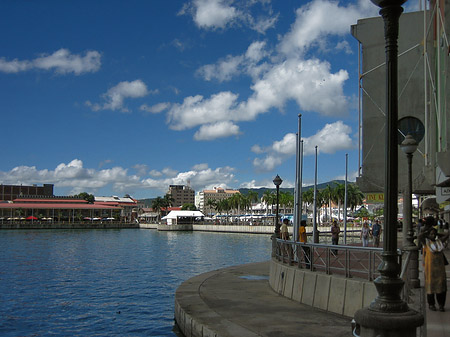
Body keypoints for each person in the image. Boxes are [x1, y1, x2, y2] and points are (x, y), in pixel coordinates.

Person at [418, 220, 449, 312]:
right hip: (430, 270)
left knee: (441, 287)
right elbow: (420, 236)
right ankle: (431, 304)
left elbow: (447, 235)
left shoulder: (439, 242)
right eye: (431, 234)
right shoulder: (426, 244)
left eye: (433, 234)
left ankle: (441, 305)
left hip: (440, 270)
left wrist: (437, 234)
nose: (432, 235)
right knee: (430, 287)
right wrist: (427, 232)